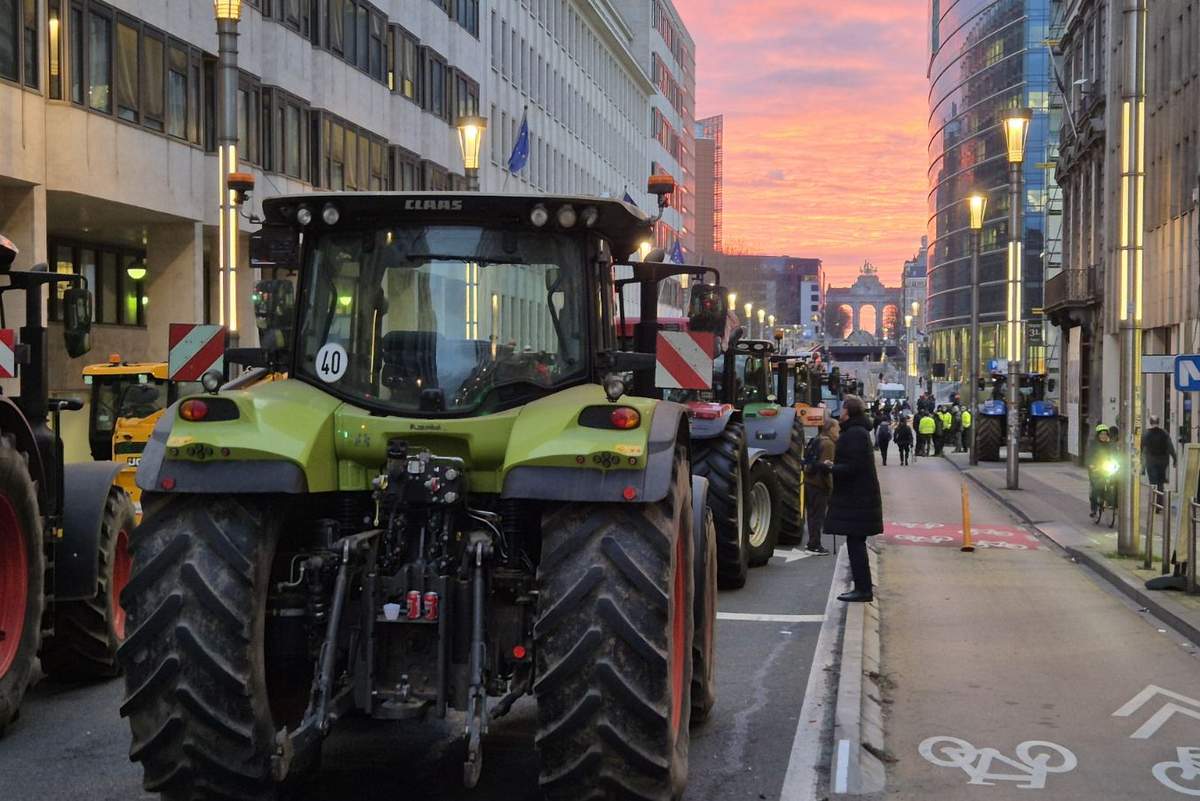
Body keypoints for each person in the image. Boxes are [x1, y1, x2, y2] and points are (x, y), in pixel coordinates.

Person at [820, 395, 883, 602]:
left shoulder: (855, 434)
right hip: (860, 498)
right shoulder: (857, 432)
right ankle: (862, 587)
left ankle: (863, 589)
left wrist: (832, 468)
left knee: (856, 544)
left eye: (843, 408)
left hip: (857, 499)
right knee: (856, 542)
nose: (840, 411)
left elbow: (854, 467)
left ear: (849, 411)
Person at [803, 419, 838, 555]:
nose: (838, 431)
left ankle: (811, 542)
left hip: (809, 480)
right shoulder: (829, 444)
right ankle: (815, 545)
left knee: (811, 514)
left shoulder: (816, 440)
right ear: (830, 429)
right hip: (819, 484)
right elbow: (826, 468)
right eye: (837, 428)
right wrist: (830, 487)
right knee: (818, 516)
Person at [1088, 424, 1119, 515]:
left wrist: (1118, 463)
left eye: (1105, 434)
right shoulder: (1093, 445)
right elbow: (1089, 456)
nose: (1103, 436)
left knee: (1114, 483)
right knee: (1095, 488)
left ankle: (1112, 503)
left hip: (1107, 468)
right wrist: (1091, 465)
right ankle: (1093, 509)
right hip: (1096, 469)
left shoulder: (1110, 445)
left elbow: (1115, 455)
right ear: (1098, 435)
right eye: (1101, 434)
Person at [1141, 415, 1177, 491]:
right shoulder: (1164, 433)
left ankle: (1154, 496)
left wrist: (1142, 466)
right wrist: (1174, 458)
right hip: (1163, 461)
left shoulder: (1146, 434)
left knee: (1153, 482)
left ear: (1150, 422)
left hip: (1151, 461)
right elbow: (1170, 447)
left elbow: (1143, 450)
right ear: (1158, 422)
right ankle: (1160, 496)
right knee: (1161, 481)